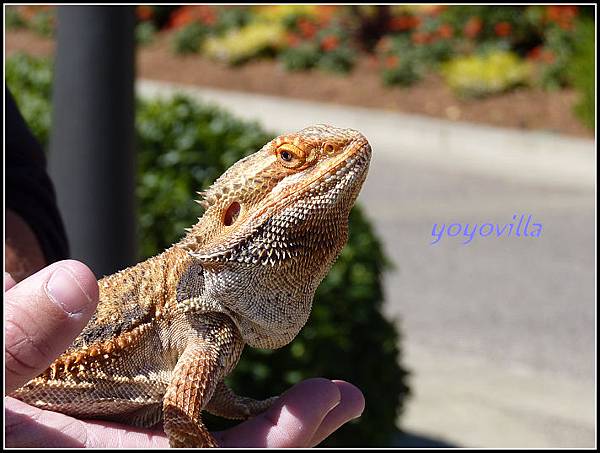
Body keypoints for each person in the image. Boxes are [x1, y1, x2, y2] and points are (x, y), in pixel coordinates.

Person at [4, 88, 365, 448]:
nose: (332, 156)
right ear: (233, 214)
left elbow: (190, 375)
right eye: (292, 158)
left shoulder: (211, 318)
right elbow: (180, 414)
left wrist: (235, 405)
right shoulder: (201, 320)